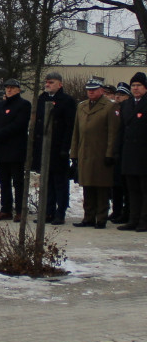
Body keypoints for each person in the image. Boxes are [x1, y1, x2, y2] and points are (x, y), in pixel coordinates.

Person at [71, 78, 119, 229]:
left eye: (94, 89)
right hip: (85, 152)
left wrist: (110, 153)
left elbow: (113, 133)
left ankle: (101, 218)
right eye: (88, 90)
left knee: (101, 187)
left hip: (100, 153)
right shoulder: (82, 106)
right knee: (87, 186)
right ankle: (88, 217)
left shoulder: (110, 107)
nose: (90, 92)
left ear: (101, 90)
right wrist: (74, 154)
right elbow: (76, 132)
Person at [32, 71, 77, 225]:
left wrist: (66, 147)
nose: (48, 85)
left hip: (58, 148)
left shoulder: (67, 101)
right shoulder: (42, 99)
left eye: (51, 82)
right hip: (43, 147)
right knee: (46, 182)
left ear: (60, 84)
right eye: (46, 82)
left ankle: (60, 212)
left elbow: (70, 126)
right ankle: (48, 211)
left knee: (60, 182)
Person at [0, 78, 31, 222]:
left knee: (18, 181)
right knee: (3, 181)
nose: (9, 90)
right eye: (7, 87)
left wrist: (0, 133)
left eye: (12, 87)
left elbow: (19, 124)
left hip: (16, 148)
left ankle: (20, 210)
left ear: (18, 89)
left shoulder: (24, 105)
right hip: (1, 148)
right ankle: (5, 209)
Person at [116, 72, 147, 232]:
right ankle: (133, 219)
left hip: (143, 154)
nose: (135, 88)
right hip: (129, 153)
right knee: (132, 190)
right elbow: (121, 129)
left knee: (144, 190)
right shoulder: (126, 105)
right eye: (133, 85)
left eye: (139, 85)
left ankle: (144, 221)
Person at [110, 82, 132, 224]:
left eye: (122, 94)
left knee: (125, 185)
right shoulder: (111, 109)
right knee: (115, 184)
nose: (118, 97)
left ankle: (126, 211)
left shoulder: (129, 109)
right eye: (117, 94)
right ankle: (116, 210)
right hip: (115, 150)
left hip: (127, 151)